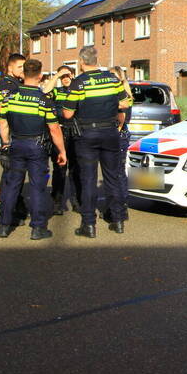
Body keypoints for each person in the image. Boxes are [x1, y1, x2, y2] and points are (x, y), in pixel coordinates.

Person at [0, 58, 67, 240]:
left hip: (16, 144)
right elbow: (54, 128)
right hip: (37, 147)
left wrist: (5, 144)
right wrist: (62, 151)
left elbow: (3, 123)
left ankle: (3, 226)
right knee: (38, 187)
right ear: (40, 76)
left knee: (12, 185)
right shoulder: (43, 100)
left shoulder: (10, 97)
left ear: (24, 74)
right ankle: (38, 228)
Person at [61, 46, 126, 238]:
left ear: (81, 62)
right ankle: (118, 220)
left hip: (86, 134)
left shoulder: (78, 83)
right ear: (97, 60)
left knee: (88, 180)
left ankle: (88, 224)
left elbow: (67, 113)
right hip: (110, 132)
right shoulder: (113, 79)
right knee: (112, 177)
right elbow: (124, 103)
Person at [0, 53, 29, 223]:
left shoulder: (17, 83)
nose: (23, 70)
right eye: (19, 67)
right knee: (10, 175)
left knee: (15, 175)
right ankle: (7, 210)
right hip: (10, 136)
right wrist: (6, 143)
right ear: (10, 67)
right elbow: (5, 115)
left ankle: (15, 207)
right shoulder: (7, 85)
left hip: (16, 134)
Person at [49, 65, 82, 215]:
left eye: (68, 76)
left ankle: (77, 201)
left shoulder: (78, 90)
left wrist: (74, 80)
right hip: (60, 132)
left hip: (75, 132)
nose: (65, 79)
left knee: (75, 169)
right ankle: (57, 202)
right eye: (63, 77)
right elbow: (44, 90)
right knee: (59, 169)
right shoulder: (56, 91)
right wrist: (56, 76)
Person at [103, 65, 134, 225]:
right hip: (121, 135)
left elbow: (121, 118)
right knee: (119, 172)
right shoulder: (125, 94)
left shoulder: (121, 96)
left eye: (113, 76)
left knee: (115, 173)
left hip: (117, 135)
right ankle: (121, 207)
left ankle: (118, 209)